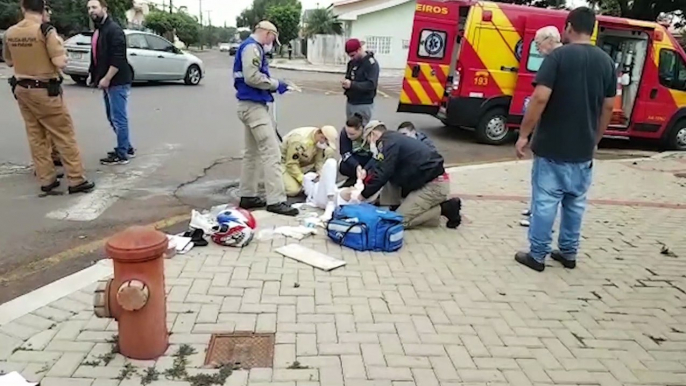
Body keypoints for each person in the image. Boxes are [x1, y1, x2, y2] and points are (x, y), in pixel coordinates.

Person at [514, 7, 616, 272]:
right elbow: (608, 107)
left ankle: (537, 256)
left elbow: (539, 98)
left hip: (552, 146)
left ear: (568, 26)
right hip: (583, 149)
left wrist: (524, 134)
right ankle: (569, 253)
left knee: (546, 202)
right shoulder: (606, 62)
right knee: (575, 204)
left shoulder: (558, 57)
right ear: (592, 29)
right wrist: (596, 138)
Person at [3, 0, 95, 194]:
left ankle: (47, 179)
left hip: (22, 89)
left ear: (23, 8)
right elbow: (60, 62)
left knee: (35, 135)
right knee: (64, 134)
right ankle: (76, 179)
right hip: (45, 90)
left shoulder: (10, 32)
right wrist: (61, 49)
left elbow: (9, 62)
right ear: (43, 8)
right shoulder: (45, 31)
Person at [234, 20, 298, 216]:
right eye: (273, 38)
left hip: (248, 105)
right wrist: (277, 84)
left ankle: (248, 195)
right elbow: (252, 77)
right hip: (253, 106)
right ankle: (276, 200)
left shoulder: (248, 47)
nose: (272, 42)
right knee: (272, 153)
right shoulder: (252, 48)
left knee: (251, 154)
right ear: (267, 33)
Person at [353, 121, 462, 229]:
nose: (370, 145)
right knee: (390, 180)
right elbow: (381, 166)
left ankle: (445, 208)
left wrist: (363, 195)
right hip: (424, 179)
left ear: (373, 135)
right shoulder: (392, 139)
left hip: (434, 185)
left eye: (368, 141)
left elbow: (383, 173)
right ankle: (395, 207)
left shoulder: (389, 143)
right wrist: (365, 172)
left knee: (396, 222)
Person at [520, 26, 562, 227]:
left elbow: (541, 98)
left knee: (544, 180)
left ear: (549, 40)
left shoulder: (554, 60)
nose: (537, 48)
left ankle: (538, 217)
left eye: (538, 44)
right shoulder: (561, 58)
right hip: (559, 132)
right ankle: (534, 208)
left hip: (549, 132)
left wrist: (523, 135)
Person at [87, 0, 135, 166]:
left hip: (117, 81)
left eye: (94, 7)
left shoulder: (114, 30)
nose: (91, 11)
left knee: (118, 118)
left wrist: (107, 78)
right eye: (89, 8)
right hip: (108, 80)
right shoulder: (100, 30)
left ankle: (122, 154)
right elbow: (96, 55)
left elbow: (118, 58)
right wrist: (92, 74)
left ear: (104, 8)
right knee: (112, 116)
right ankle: (126, 147)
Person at [281, 126, 339, 196]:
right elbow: (291, 163)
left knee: (329, 151)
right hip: (283, 162)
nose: (324, 143)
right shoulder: (299, 141)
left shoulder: (318, 140)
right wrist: (302, 179)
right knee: (293, 190)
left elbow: (319, 161)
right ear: (319, 134)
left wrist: (321, 175)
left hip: (300, 162)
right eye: (325, 140)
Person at [343, 38, 379, 126]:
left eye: (353, 55)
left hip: (364, 103)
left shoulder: (371, 64)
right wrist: (346, 84)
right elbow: (349, 77)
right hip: (351, 102)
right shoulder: (351, 63)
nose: (352, 58)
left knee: (361, 130)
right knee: (350, 129)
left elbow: (371, 84)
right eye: (350, 56)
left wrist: (352, 85)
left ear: (359, 49)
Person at [339, 113, 374, 187]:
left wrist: (366, 168)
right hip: (355, 157)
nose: (348, 136)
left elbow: (376, 155)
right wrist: (356, 166)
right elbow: (345, 153)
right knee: (343, 167)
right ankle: (354, 179)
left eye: (352, 134)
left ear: (361, 129)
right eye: (347, 133)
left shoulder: (370, 134)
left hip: (369, 157)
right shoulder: (345, 133)